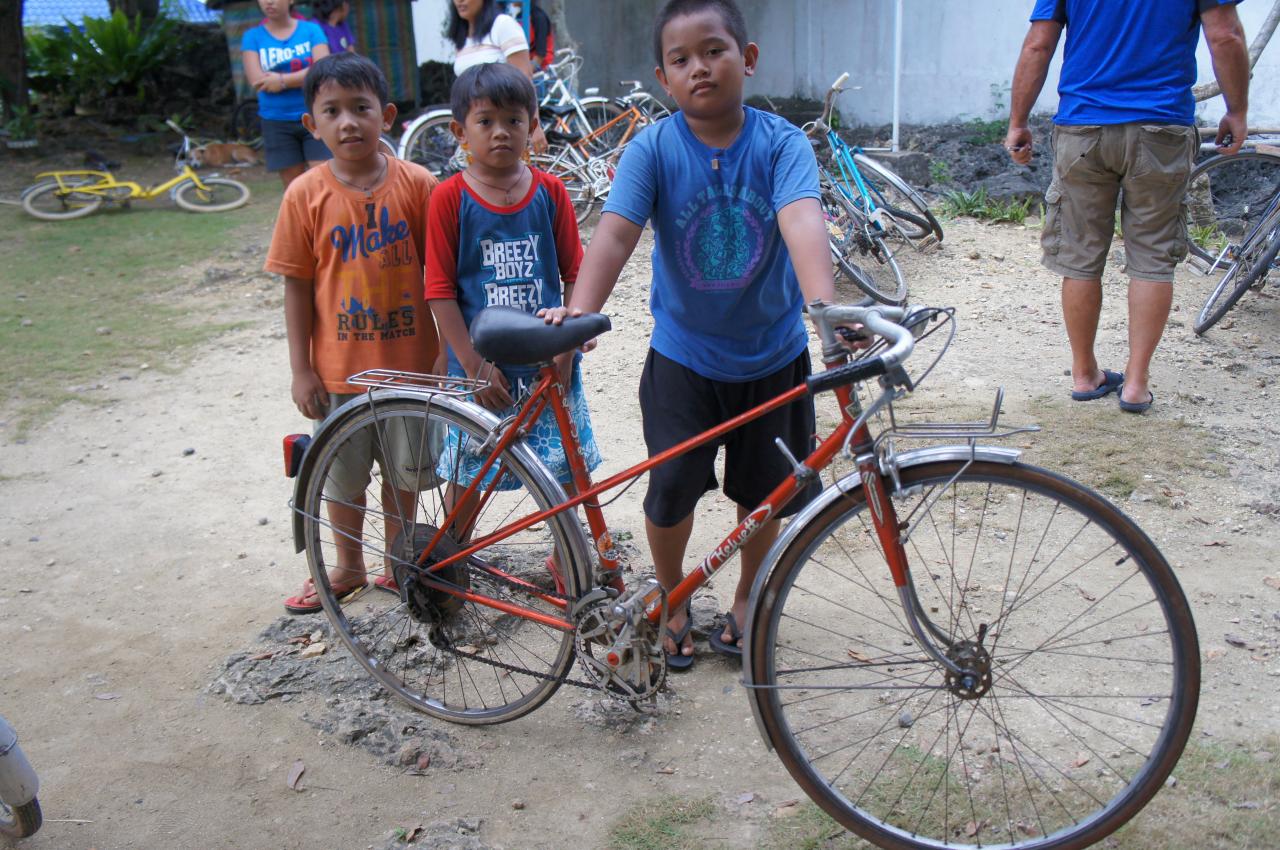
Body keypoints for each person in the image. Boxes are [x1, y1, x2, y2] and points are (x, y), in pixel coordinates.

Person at [543, 0, 837, 670]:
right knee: (671, 489)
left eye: (714, 50)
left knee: (765, 496)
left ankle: (745, 598)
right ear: (663, 77)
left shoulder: (781, 144)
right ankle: (674, 596)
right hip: (684, 360)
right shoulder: (652, 148)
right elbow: (615, 233)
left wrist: (825, 310)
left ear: (748, 58)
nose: (699, 67)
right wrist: (581, 314)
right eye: (681, 60)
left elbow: (800, 219)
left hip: (775, 356)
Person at [1004, 0, 1249, 414]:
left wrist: (1018, 120)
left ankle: (1084, 375)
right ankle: (1136, 384)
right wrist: (1237, 110)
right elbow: (1225, 35)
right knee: (1152, 255)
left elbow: (1037, 46)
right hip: (1161, 129)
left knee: (1080, 255)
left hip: (1083, 128)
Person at [266, 53, 441, 614]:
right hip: (341, 374)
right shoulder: (304, 196)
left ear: (386, 115)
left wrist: (447, 356)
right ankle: (347, 565)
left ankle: (398, 560)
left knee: (406, 475)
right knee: (342, 480)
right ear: (310, 125)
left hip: (412, 370)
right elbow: (295, 286)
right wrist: (301, 368)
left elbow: (443, 277)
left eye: (361, 108)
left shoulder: (420, 185)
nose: (348, 122)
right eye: (332, 111)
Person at [425, 62, 600, 564]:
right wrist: (472, 364)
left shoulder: (550, 192)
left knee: (565, 470)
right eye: (485, 121)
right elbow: (439, 290)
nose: (501, 132)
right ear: (461, 131)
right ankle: (449, 562)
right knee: (468, 472)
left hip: (548, 362)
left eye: (514, 120)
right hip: (480, 368)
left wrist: (568, 343)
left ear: (533, 124)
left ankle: (567, 561)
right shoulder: (449, 199)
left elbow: (576, 274)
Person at [242, 0, 332, 188]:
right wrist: (302, 77)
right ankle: (301, 219)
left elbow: (322, 69)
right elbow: (257, 80)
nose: (269, 2)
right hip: (276, 120)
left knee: (325, 180)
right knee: (294, 187)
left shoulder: (311, 30)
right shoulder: (252, 37)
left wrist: (281, 81)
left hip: (315, 116)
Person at [445, 0, 548, 151]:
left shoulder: (503, 25)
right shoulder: (463, 38)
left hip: (505, 126)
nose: (460, 1)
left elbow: (524, 79)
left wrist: (535, 126)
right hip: (477, 131)